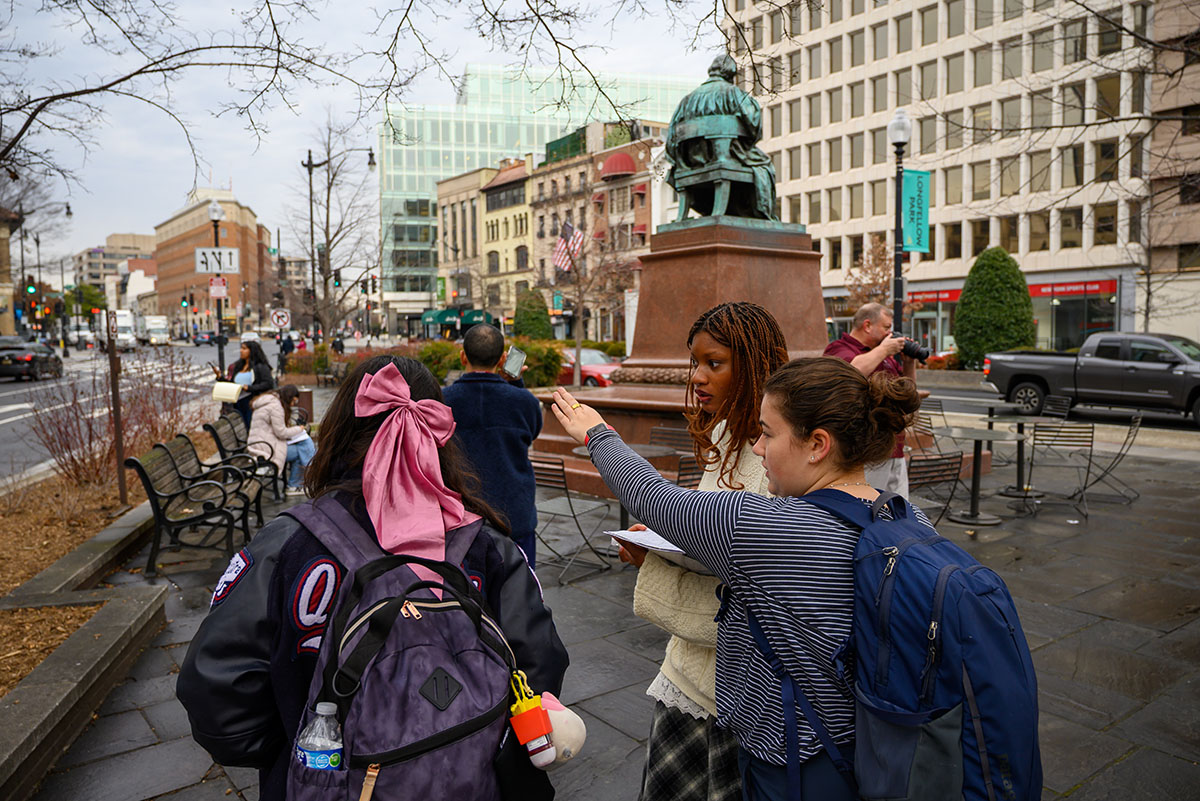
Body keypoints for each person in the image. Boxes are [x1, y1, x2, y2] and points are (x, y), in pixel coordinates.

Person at [178, 355, 570, 801]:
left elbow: (217, 695)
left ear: (342, 427)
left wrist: (298, 746)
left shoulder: (285, 545)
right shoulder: (489, 546)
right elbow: (539, 669)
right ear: (440, 434)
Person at [550, 357, 922, 800]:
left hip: (793, 763)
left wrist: (597, 433)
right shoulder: (907, 518)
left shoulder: (766, 526)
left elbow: (653, 497)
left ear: (818, 444)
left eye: (767, 433)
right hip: (876, 754)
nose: (759, 449)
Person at [620, 302, 787, 801]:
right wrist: (661, 543)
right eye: (695, 363)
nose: (697, 376)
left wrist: (656, 559)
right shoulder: (723, 434)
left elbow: (754, 584)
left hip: (738, 694)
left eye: (714, 363)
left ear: (755, 365)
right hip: (685, 673)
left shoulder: (779, 455)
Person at [442, 325, 543, 568]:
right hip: (514, 517)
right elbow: (531, 432)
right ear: (501, 360)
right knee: (521, 595)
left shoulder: (442, 400)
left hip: (459, 518)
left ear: (463, 356)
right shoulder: (524, 402)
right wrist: (516, 383)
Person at [823, 303, 917, 496]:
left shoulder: (885, 355)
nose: (890, 333)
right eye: (886, 327)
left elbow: (908, 392)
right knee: (868, 508)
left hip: (894, 446)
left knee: (898, 510)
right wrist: (884, 350)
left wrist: (909, 363)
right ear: (867, 325)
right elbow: (851, 371)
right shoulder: (839, 349)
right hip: (865, 450)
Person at [247, 385, 309, 495]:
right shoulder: (276, 407)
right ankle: (294, 485)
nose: (294, 404)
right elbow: (281, 433)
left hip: (260, 444)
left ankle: (306, 474)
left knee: (304, 445)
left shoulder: (270, 401)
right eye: (294, 401)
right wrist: (299, 429)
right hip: (266, 450)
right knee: (302, 450)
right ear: (288, 397)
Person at [212, 340, 274, 428]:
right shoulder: (238, 366)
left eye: (244, 348)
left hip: (252, 402)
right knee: (242, 426)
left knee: (251, 426)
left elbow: (268, 383)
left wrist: (249, 388)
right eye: (241, 348)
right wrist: (220, 377)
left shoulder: (260, 367)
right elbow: (233, 384)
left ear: (252, 351)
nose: (241, 351)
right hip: (238, 402)